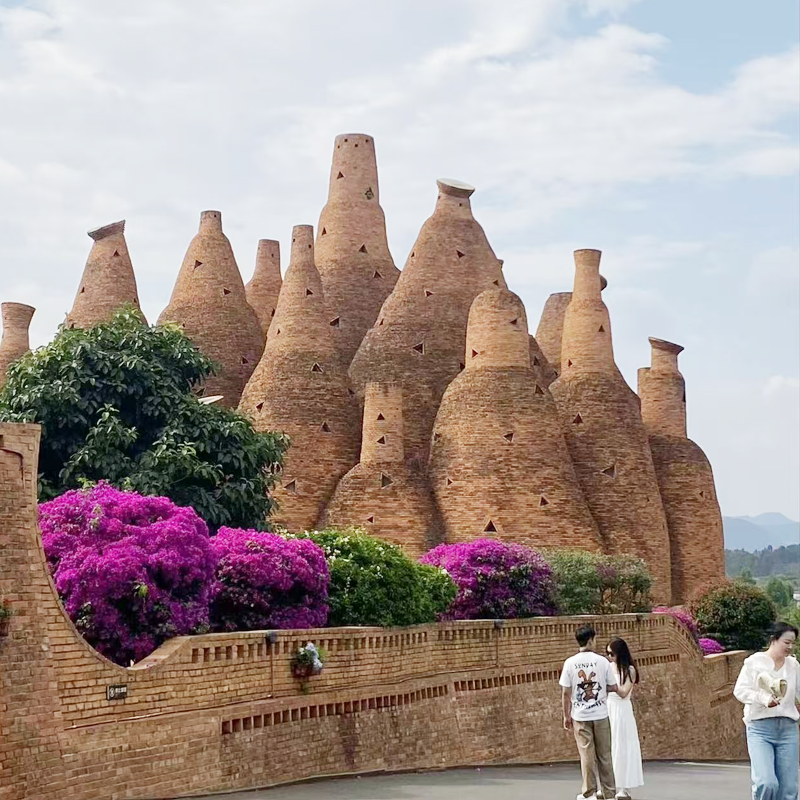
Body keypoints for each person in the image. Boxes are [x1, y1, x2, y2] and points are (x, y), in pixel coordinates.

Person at [733, 620, 800, 800]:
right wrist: (763, 699)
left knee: (788, 789)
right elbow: (740, 690)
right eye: (786, 642)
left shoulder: (793, 666)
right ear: (773, 640)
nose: (790, 646)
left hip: (788, 729)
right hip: (760, 729)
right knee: (766, 782)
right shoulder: (754, 662)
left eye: (792, 643)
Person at [560, 623, 618, 800]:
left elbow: (566, 692)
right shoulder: (602, 661)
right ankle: (609, 792)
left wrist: (566, 715)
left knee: (586, 755)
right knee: (605, 755)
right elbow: (613, 686)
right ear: (591, 640)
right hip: (600, 714)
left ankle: (589, 793)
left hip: (580, 715)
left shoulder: (570, 663)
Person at [606, 638, 644, 799]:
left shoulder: (629, 670)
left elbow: (623, 692)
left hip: (622, 710)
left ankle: (624, 787)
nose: (609, 657)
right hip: (608, 708)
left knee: (622, 746)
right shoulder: (607, 667)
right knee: (608, 747)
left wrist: (610, 686)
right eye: (607, 653)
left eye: (611, 654)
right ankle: (608, 785)